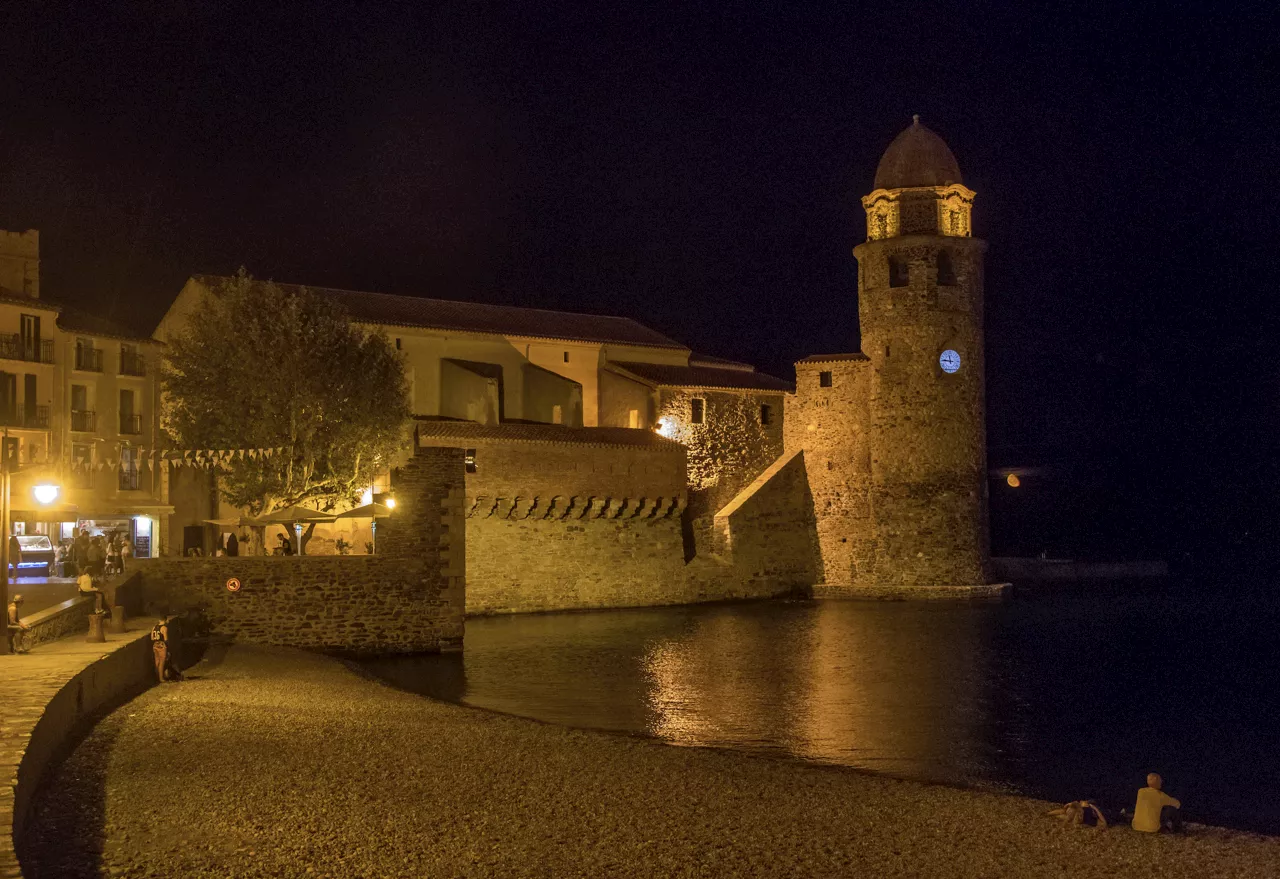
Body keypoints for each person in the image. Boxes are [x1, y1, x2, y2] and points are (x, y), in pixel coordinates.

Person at [150, 618, 182, 682]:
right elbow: (166, 639)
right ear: (165, 620)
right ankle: (161, 678)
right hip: (162, 645)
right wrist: (168, 648)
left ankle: (157, 677)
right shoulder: (164, 628)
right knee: (162, 662)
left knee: (157, 662)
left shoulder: (154, 627)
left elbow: (152, 638)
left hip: (155, 645)